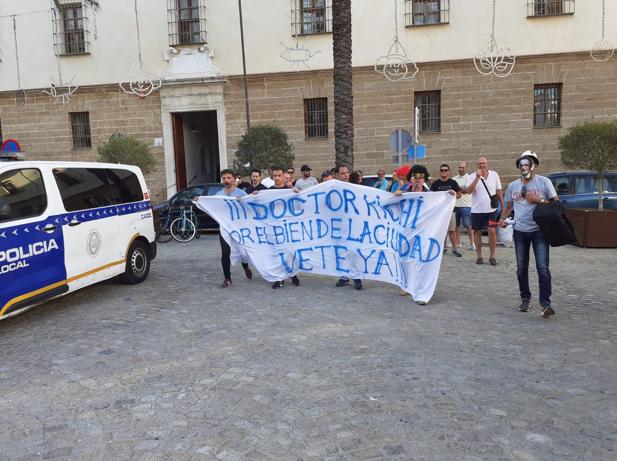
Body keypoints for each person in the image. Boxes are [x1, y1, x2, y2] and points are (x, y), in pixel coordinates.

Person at [499, 151, 557, 317]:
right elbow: (508, 206)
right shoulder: (513, 186)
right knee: (521, 268)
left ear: (534, 165)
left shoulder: (544, 182)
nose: (524, 167)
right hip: (520, 231)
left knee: (543, 268)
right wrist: (502, 219)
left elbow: (556, 204)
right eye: (521, 165)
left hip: (540, 231)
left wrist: (540, 201)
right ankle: (525, 299)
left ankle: (545, 304)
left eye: (527, 164)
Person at [210, 169, 253, 288]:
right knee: (225, 253)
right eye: (224, 178)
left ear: (234, 179)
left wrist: (243, 201)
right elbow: (212, 206)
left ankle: (246, 267)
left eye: (229, 178)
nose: (226, 180)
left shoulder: (241, 193)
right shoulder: (219, 195)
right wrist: (199, 201)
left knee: (243, 252)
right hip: (225, 229)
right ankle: (227, 278)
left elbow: (250, 207)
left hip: (239, 228)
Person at [462, 157, 504, 266]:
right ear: (477, 165)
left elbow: (499, 191)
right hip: (477, 211)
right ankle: (479, 256)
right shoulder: (471, 176)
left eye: (484, 163)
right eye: (480, 164)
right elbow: (469, 191)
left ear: (487, 164)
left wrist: (503, 207)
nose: (482, 165)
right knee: (477, 232)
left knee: (492, 231)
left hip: (492, 210)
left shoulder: (494, 175)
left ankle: (492, 256)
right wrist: (477, 178)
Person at [268, 166, 300, 288]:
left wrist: (298, 194)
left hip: (288, 227)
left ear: (283, 176)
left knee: (290, 251)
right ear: (272, 177)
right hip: (274, 228)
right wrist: (255, 195)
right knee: (277, 253)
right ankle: (279, 278)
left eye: (279, 176)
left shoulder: (289, 190)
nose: (277, 178)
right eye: (274, 176)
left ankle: (292, 274)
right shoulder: (268, 191)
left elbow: (300, 204)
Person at [334, 164, 362, 290]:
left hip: (354, 225)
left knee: (354, 251)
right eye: (342, 173)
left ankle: (357, 278)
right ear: (338, 175)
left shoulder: (356, 187)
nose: (345, 175)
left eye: (346, 172)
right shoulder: (334, 188)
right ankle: (344, 277)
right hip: (340, 225)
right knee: (342, 252)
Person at [430, 164, 461, 257]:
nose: (444, 172)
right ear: (440, 171)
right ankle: (442, 248)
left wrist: (454, 193)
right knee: (440, 230)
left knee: (452, 230)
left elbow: (459, 195)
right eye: (442, 170)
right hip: (439, 211)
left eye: (445, 170)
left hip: (451, 210)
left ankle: (455, 249)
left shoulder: (453, 183)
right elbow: (431, 196)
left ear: (448, 171)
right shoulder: (435, 184)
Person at [453, 162, 475, 251]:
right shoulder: (453, 179)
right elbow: (453, 190)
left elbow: (468, 190)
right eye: (460, 167)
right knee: (456, 226)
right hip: (455, 205)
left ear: (466, 168)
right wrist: (462, 188)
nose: (461, 169)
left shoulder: (470, 178)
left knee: (468, 225)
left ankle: (471, 243)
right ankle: (458, 242)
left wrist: (458, 189)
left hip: (466, 205)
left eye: (463, 167)